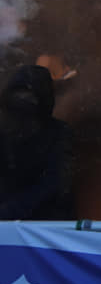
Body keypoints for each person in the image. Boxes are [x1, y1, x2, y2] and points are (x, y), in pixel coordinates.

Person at [0, 65, 73, 220]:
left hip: (41, 225)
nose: (23, 102)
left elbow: (55, 183)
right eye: (18, 96)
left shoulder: (58, 133)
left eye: (29, 98)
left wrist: (10, 210)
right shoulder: (4, 130)